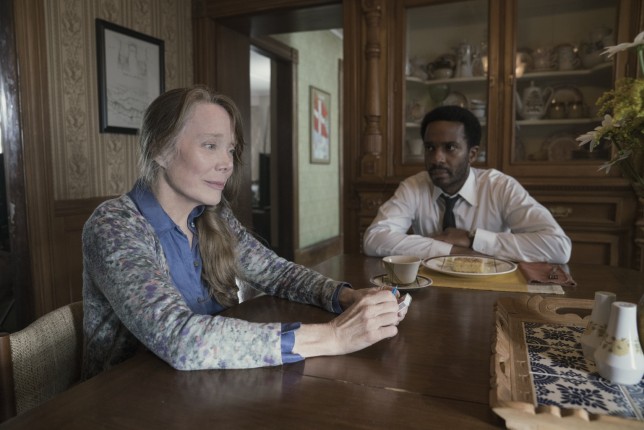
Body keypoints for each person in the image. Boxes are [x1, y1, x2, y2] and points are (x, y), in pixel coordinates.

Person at [82, 86, 406, 380]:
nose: (227, 163)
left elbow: (276, 273)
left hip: (204, 384)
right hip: (129, 399)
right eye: (210, 145)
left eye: (230, 150)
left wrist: (346, 297)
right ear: (159, 149)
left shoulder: (212, 216)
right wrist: (334, 336)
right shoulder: (115, 225)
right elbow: (179, 338)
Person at [363, 105, 571, 264]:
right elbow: (374, 239)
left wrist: (472, 239)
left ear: (472, 154)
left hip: (492, 290)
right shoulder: (413, 186)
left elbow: (558, 246)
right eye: (430, 148)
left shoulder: (500, 187)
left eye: (450, 147)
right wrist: (453, 251)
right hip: (431, 288)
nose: (437, 158)